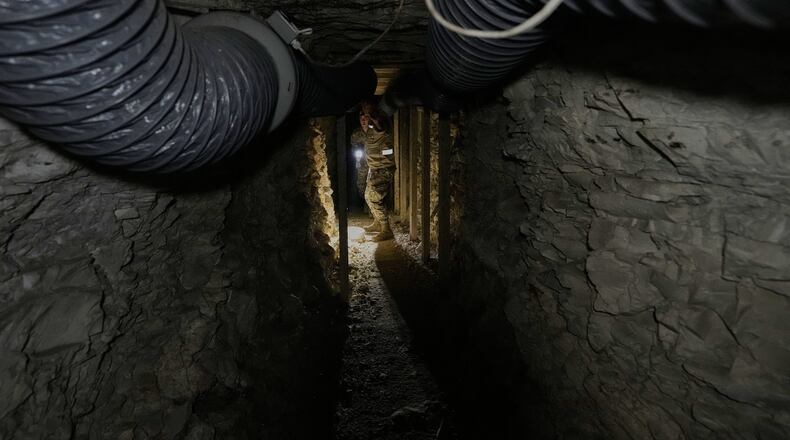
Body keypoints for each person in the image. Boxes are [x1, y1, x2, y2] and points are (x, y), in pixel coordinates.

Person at [354, 100, 396, 241]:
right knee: (368, 196)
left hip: (383, 168)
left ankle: (386, 229)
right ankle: (378, 223)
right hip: (374, 169)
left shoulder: (378, 124)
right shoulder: (367, 131)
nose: (364, 120)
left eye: (366, 117)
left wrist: (371, 114)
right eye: (362, 118)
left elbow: (379, 124)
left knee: (374, 198)